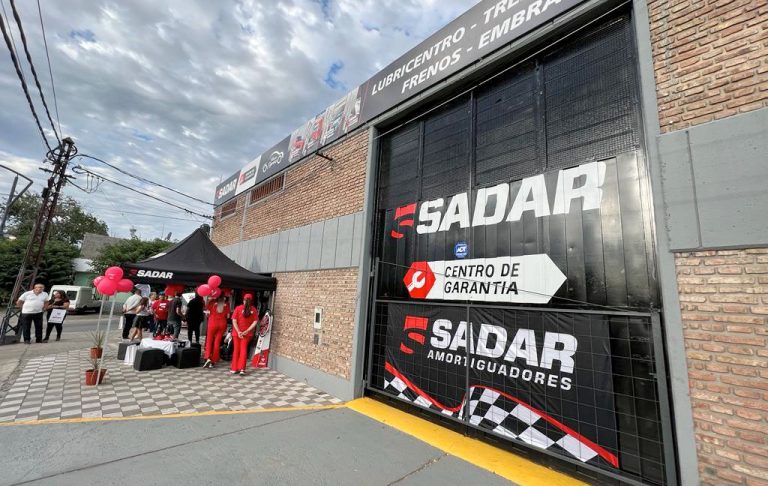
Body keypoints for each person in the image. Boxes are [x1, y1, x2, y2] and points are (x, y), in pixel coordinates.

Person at [230, 294, 258, 375]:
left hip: (236, 333)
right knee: (243, 350)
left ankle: (234, 368)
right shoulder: (253, 309)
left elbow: (234, 320)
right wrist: (247, 330)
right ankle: (242, 369)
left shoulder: (238, 308)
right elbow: (255, 321)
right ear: (251, 301)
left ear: (243, 300)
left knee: (236, 350)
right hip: (247, 334)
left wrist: (238, 331)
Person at [202, 294, 230, 368]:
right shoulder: (226, 304)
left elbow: (207, 312)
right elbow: (228, 316)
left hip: (213, 322)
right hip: (222, 323)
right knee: (217, 342)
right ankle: (213, 360)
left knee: (209, 341)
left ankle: (207, 357)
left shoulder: (212, 302)